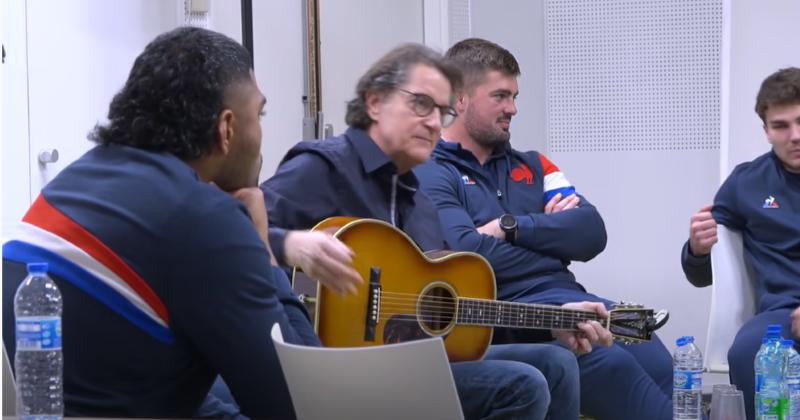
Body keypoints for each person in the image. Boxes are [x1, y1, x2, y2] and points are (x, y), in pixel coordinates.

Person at [261, 42, 613, 420]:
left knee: (556, 363)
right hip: (329, 365)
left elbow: (450, 310)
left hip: (405, 362)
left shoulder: (417, 201)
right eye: (421, 105)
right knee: (522, 384)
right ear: (375, 102)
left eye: (442, 112)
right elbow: (231, 230)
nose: (433, 123)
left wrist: (554, 318)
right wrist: (289, 243)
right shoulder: (324, 166)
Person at [2, 27, 317, 418]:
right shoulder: (205, 218)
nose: (261, 131)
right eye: (261, 114)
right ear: (227, 128)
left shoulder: (74, 180)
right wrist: (263, 247)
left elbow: (145, 377)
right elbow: (305, 399)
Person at [413, 38, 674, 420]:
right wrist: (553, 237)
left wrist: (510, 227)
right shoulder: (432, 169)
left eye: (515, 96)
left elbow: (591, 232)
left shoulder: (535, 165)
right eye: (500, 96)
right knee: (613, 364)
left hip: (570, 294)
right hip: (506, 313)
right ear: (460, 98)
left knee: (654, 354)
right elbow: (465, 255)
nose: (512, 109)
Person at [681, 66, 800, 420]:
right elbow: (700, 275)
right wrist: (698, 249)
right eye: (781, 126)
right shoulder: (746, 184)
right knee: (746, 350)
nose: (795, 135)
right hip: (781, 314)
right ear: (766, 131)